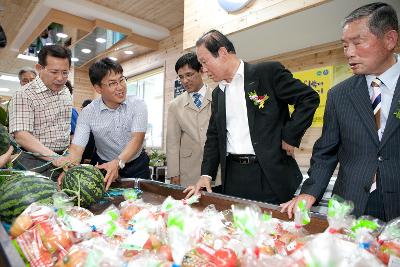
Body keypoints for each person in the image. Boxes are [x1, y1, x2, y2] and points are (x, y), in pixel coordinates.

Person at [281, 2, 399, 222]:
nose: (349, 53)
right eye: (345, 45)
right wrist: (309, 191)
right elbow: (326, 150)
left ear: (390, 39)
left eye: (358, 42)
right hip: (350, 205)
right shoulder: (339, 95)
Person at [184, 30, 320, 204]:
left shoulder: (267, 73)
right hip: (233, 177)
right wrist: (206, 174)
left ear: (223, 53)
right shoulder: (218, 93)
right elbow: (214, 136)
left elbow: (308, 98)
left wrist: (290, 136)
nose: (203, 70)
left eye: (204, 62)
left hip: (269, 174)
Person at [56, 57, 150, 190]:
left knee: (141, 205)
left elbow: (137, 138)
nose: (120, 87)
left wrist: (118, 162)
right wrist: (68, 169)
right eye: (112, 83)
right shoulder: (88, 112)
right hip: (105, 166)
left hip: (137, 166)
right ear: (98, 88)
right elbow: (77, 148)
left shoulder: (138, 104)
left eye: (121, 80)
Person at [8, 45, 72, 179]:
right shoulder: (24, 94)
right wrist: (54, 157)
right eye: (54, 72)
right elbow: (21, 135)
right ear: (39, 68)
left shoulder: (65, 91)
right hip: (32, 162)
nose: (60, 78)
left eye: (65, 72)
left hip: (63, 159)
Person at [167, 52, 221, 188]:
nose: (185, 81)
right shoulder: (175, 105)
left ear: (201, 71)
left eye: (189, 75)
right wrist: (174, 174)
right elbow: (172, 143)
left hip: (218, 171)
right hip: (189, 173)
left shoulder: (218, 97)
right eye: (181, 77)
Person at [80, 99, 97, 164]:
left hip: (88, 158)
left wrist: (89, 158)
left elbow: (93, 143)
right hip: (82, 156)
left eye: (82, 108)